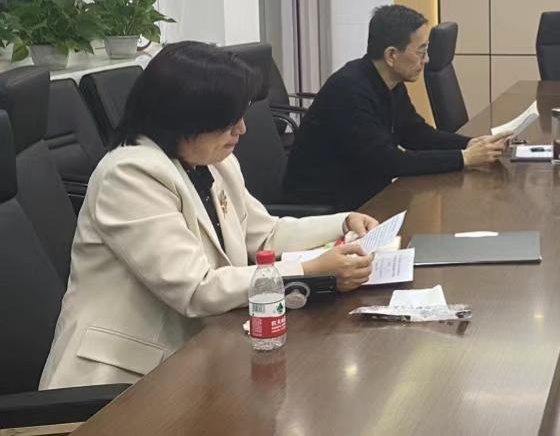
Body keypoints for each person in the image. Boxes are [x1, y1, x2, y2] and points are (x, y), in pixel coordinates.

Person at [41, 42, 378, 389]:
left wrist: (342, 222)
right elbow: (196, 288)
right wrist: (310, 270)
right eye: (228, 121)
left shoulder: (215, 163)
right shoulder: (129, 175)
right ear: (185, 119)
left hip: (201, 354)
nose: (242, 129)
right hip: (122, 380)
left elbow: (266, 235)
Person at [285, 5, 509, 210]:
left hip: (363, 198)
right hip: (327, 209)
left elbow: (415, 134)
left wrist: (470, 144)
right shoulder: (349, 91)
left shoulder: (389, 81)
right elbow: (387, 162)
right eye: (421, 51)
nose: (426, 59)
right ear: (391, 55)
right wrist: (463, 158)